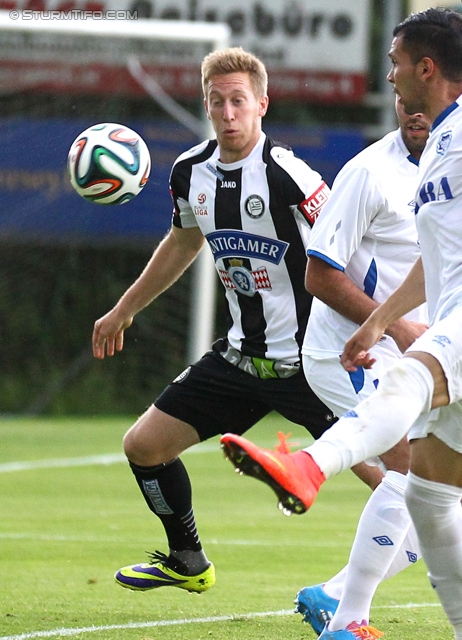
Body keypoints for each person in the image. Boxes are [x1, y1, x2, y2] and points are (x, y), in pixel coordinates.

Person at [220, 8, 462, 639]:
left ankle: (311, 468)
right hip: (408, 337)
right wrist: (383, 320)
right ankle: (347, 615)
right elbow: (433, 261)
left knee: (412, 397)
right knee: (432, 499)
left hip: (445, 333)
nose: (389, 78)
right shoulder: (433, 146)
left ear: (426, 68)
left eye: (396, 63)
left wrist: (398, 330)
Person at [91, 46, 357, 594]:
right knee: (143, 446)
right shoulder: (191, 172)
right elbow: (184, 240)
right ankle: (187, 560)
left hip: (313, 365)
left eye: (239, 101)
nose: (229, 113)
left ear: (262, 104)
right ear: (206, 107)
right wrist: (124, 309)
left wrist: (373, 330)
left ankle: (379, 585)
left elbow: (348, 255)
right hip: (241, 360)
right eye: (218, 102)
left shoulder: (289, 176)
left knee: (393, 477)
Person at [293, 96, 430, 636]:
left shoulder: (453, 166)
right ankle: (349, 620)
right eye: (404, 101)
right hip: (348, 352)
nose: (414, 112)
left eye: (427, 102)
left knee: (438, 495)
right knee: (412, 467)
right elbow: (319, 275)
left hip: (420, 355)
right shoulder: (369, 172)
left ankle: (332, 596)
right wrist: (392, 324)